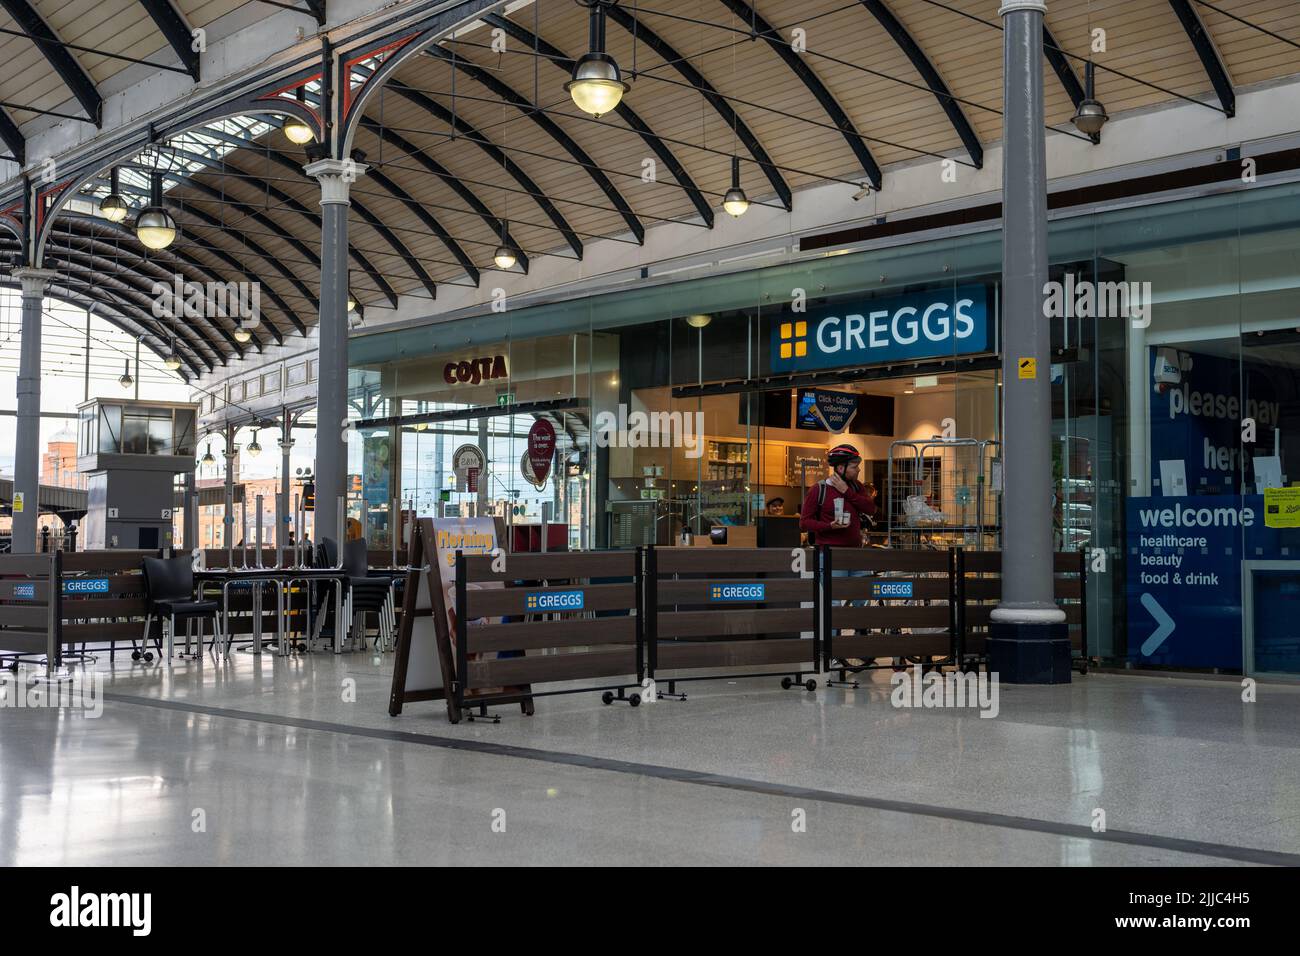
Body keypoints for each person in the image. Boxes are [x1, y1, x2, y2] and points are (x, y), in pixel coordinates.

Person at [799, 444, 876, 547]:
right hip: (827, 552)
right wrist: (829, 526)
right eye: (854, 467)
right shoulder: (819, 489)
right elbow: (804, 523)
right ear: (840, 468)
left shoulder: (856, 487)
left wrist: (846, 491)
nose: (858, 470)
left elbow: (870, 509)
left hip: (854, 551)